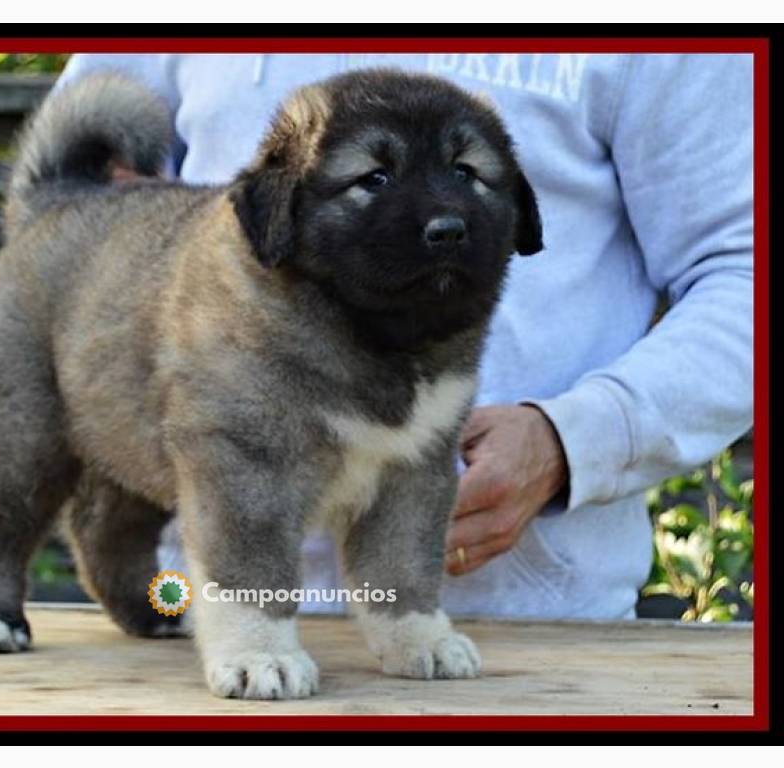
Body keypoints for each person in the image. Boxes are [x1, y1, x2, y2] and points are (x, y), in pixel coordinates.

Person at [53, 52, 754, 620]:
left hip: (525, 625)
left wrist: (576, 440)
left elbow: (745, 268)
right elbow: (82, 201)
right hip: (195, 610)